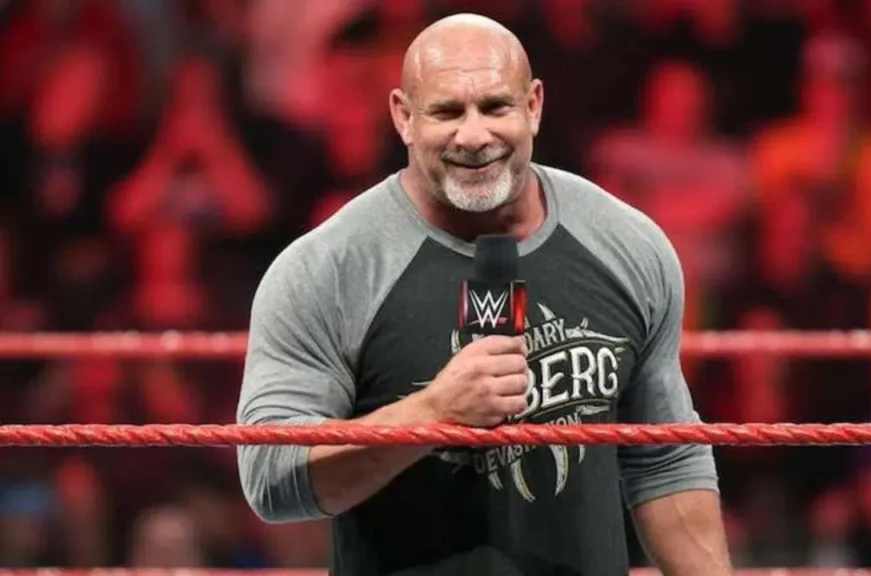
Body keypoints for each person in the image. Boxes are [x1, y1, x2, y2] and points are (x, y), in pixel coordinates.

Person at [236, 13, 731, 576]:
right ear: (403, 116)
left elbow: (666, 461)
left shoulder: (625, 244)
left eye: (495, 107)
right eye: (447, 111)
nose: (473, 136)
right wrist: (431, 412)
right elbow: (272, 478)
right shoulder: (328, 267)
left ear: (534, 106)